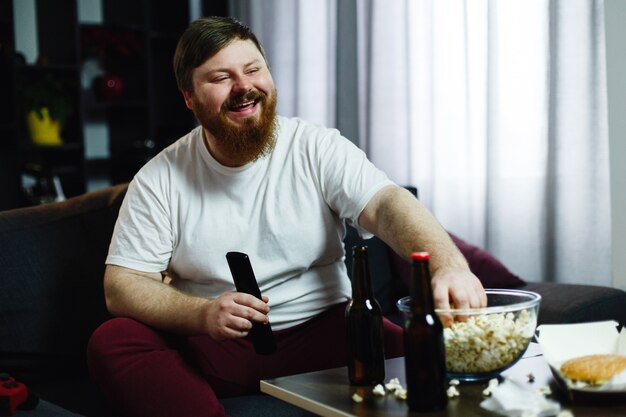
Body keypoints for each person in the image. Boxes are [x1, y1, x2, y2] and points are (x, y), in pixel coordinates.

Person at [87, 16, 486, 417]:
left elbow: (385, 204)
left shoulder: (316, 146)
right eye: (221, 77)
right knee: (114, 339)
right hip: (214, 347)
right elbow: (122, 285)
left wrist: (447, 266)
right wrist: (203, 314)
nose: (243, 87)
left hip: (330, 338)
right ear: (189, 98)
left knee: (443, 359)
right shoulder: (159, 178)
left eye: (253, 69)